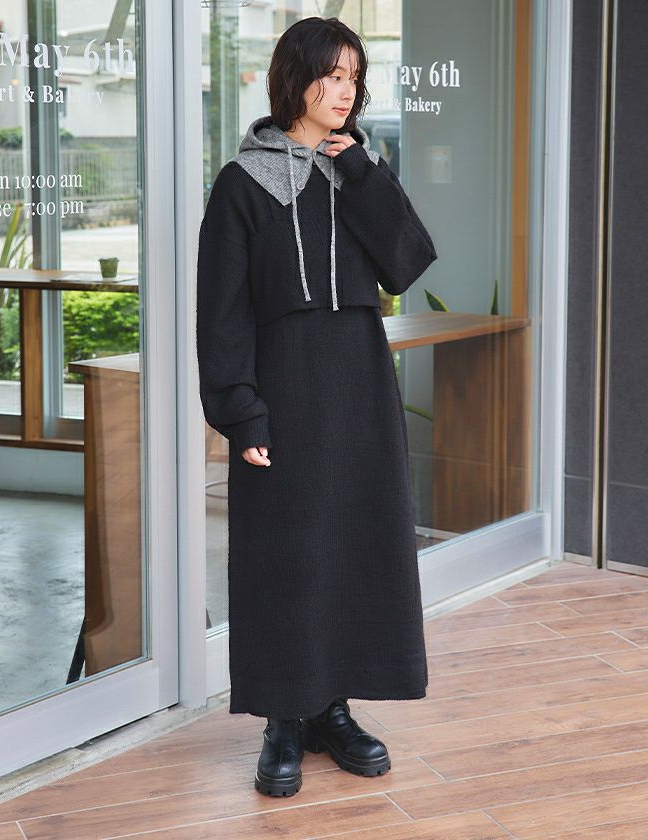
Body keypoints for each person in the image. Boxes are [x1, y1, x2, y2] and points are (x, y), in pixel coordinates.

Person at [196, 16, 438, 798]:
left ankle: (333, 709)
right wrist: (241, 411)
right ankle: (283, 719)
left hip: (358, 390)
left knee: (356, 549)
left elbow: (407, 263)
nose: (345, 91)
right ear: (295, 77)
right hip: (285, 392)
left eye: (354, 78)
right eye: (332, 75)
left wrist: (362, 169)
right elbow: (222, 314)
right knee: (286, 557)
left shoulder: (360, 169)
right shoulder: (241, 184)